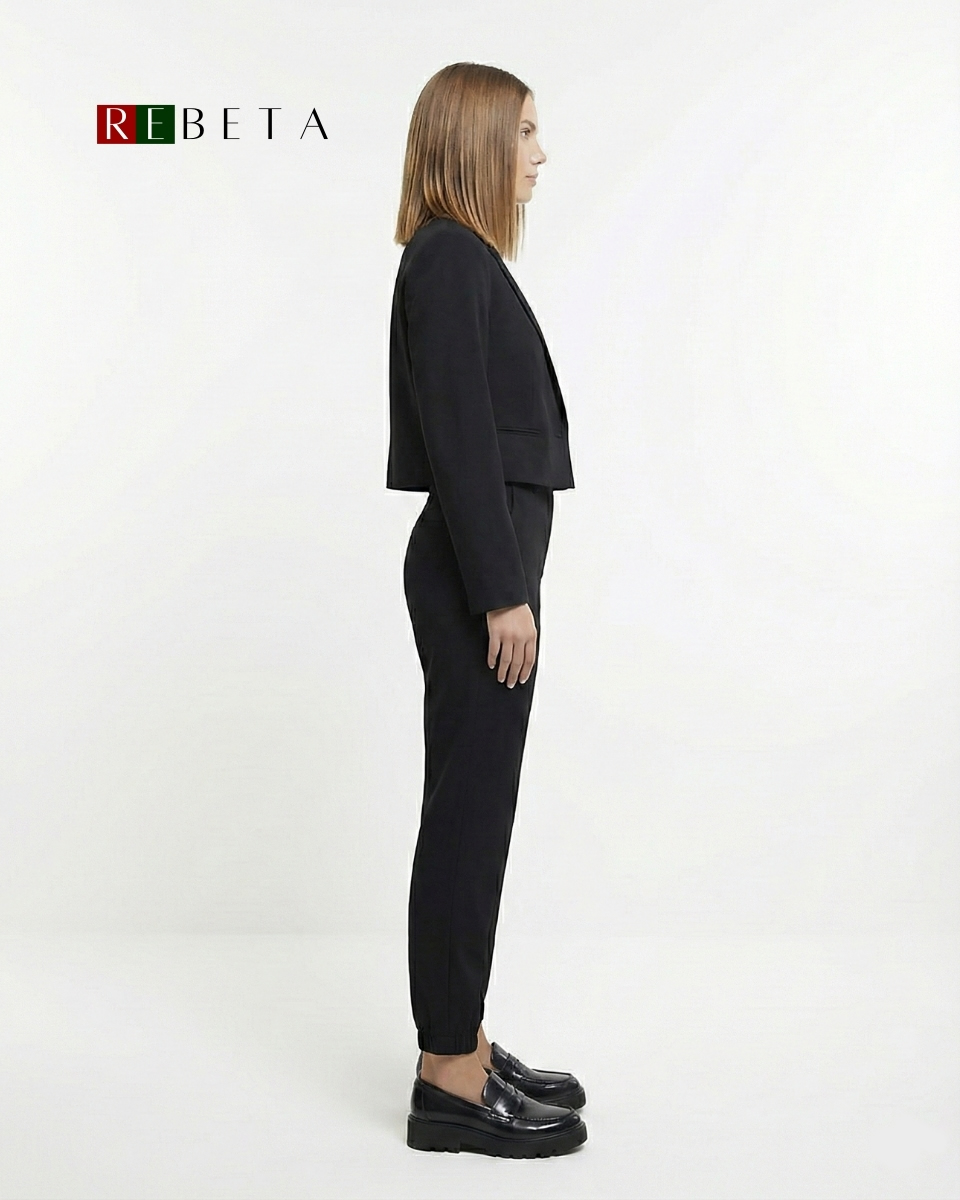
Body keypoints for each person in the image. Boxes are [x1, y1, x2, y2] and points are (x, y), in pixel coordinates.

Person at [387, 62, 588, 1158]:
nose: (540, 155)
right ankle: (449, 1078)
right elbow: (462, 433)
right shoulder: (448, 257)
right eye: (524, 132)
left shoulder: (459, 258)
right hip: (482, 574)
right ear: (474, 141)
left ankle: (458, 1039)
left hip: (488, 562)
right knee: (469, 816)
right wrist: (502, 592)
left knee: (477, 809)